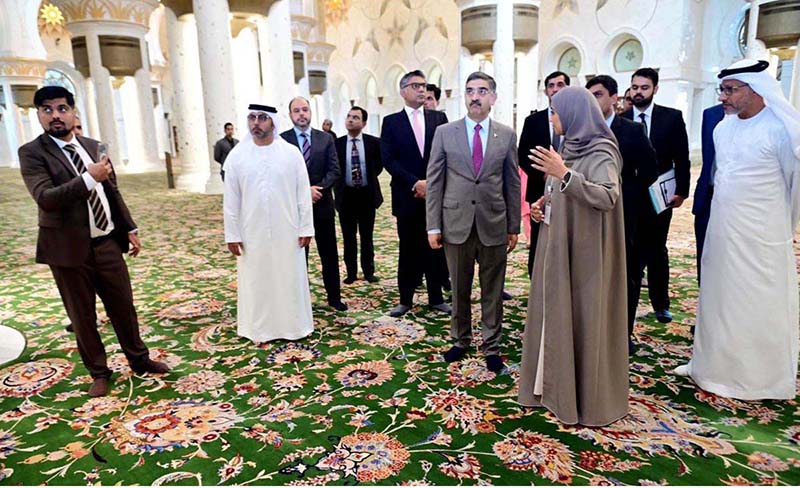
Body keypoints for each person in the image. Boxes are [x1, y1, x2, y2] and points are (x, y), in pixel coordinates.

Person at [19, 86, 170, 398]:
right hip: (68, 250)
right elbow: (46, 198)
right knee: (82, 315)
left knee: (123, 306)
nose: (55, 116)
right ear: (39, 116)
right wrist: (89, 178)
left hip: (106, 242)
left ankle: (139, 360)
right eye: (47, 110)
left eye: (62, 108)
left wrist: (129, 228)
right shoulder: (32, 153)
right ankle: (99, 372)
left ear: (75, 113)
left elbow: (111, 192)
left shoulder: (93, 145)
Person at [674, 59, 800, 400]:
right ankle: (709, 367)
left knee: (754, 303)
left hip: (762, 237)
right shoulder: (722, 128)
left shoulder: (781, 130)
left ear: (755, 89)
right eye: (723, 90)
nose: (724, 97)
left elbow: (794, 186)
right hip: (722, 231)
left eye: (731, 90)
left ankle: (757, 379)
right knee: (717, 298)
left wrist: (782, 228)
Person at [518, 86, 628, 426]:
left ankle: (580, 400)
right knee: (553, 312)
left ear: (574, 114)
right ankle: (548, 388)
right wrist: (542, 204)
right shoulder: (569, 147)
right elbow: (563, 190)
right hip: (557, 244)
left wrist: (563, 174)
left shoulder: (601, 151)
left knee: (580, 317)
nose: (551, 118)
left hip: (585, 255)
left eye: (555, 111)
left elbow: (607, 196)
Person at [427, 72, 520, 372]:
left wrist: (513, 225)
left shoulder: (506, 135)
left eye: (482, 91)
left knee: (492, 290)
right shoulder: (445, 132)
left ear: (493, 97)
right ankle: (460, 339)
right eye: (470, 91)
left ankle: (491, 346)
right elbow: (435, 181)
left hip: (494, 223)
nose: (475, 96)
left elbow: (512, 183)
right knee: (460, 288)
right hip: (455, 224)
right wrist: (433, 225)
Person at [224, 104, 315, 343]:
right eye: (252, 118)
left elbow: (303, 193)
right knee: (256, 279)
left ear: (273, 122)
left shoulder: (291, 153)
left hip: (288, 229)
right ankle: (258, 329)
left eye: (262, 118)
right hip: (251, 232)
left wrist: (306, 226)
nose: (257, 122)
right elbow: (231, 200)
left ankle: (293, 327)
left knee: (288, 276)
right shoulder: (237, 156)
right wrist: (231, 234)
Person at [586, 75, 658, 352]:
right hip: (589, 212)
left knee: (624, 273)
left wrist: (625, 190)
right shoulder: (582, 130)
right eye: (590, 95)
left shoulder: (631, 131)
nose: (594, 100)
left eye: (599, 94)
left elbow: (650, 171)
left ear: (614, 98)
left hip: (624, 215)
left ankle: (621, 333)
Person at [381, 70, 451, 317]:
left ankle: (436, 297)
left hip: (435, 195)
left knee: (435, 247)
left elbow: (446, 155)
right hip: (406, 195)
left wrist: (430, 183)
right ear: (403, 91)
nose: (422, 90)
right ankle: (405, 299)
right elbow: (388, 159)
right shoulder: (391, 122)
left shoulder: (439, 118)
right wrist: (414, 183)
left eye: (423, 85)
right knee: (408, 249)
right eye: (415, 86)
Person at [623, 67, 691, 324]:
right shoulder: (622, 118)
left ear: (655, 89)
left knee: (656, 249)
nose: (638, 93)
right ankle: (627, 304)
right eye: (635, 87)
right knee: (630, 251)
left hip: (661, 196)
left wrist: (682, 191)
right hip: (630, 198)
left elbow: (681, 157)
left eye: (644, 88)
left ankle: (660, 303)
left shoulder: (671, 118)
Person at [281, 97, 347, 312]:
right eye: (296, 111)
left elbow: (334, 170)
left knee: (328, 254)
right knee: (300, 256)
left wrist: (317, 189)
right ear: (290, 115)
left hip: (323, 205)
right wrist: (303, 192)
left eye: (305, 110)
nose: (302, 114)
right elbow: (281, 175)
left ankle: (334, 298)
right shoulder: (282, 141)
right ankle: (299, 300)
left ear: (311, 112)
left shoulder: (325, 139)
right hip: (295, 209)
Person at [518, 71, 569, 278]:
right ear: (546, 90)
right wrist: (544, 175)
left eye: (560, 84)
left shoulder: (574, 119)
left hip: (569, 191)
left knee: (564, 241)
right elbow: (523, 155)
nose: (555, 89)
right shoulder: (534, 120)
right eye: (551, 85)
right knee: (539, 242)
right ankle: (536, 284)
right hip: (539, 190)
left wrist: (559, 174)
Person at [335, 107, 383, 284]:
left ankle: (369, 271)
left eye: (356, 117)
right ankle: (351, 272)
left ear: (363, 123)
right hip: (345, 196)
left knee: (366, 236)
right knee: (348, 237)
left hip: (366, 195)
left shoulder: (373, 143)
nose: (351, 120)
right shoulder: (337, 144)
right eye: (348, 116)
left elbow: (378, 167)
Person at [692, 103, 725, 282]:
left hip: (741, 203)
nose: (722, 96)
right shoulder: (711, 114)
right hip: (708, 195)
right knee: (704, 253)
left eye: (730, 90)